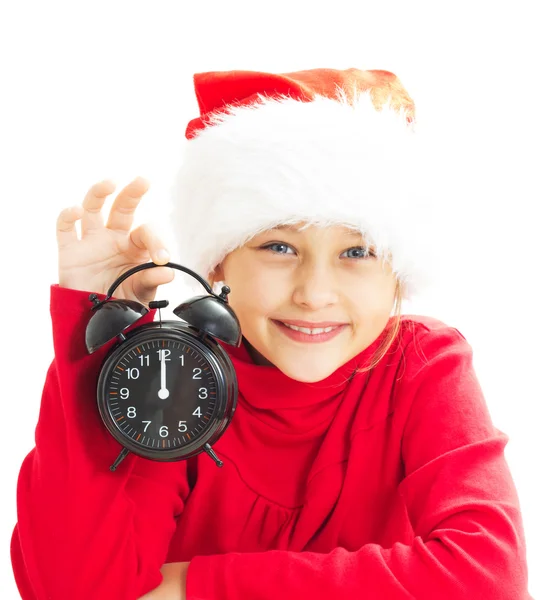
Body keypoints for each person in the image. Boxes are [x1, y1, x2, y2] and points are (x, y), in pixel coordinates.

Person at [10, 68, 532, 600]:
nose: (314, 293)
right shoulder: (179, 376)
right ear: (219, 263)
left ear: (398, 272)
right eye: (279, 247)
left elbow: (489, 578)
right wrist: (93, 346)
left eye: (358, 252)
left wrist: (199, 585)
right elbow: (71, 590)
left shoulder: (421, 365)